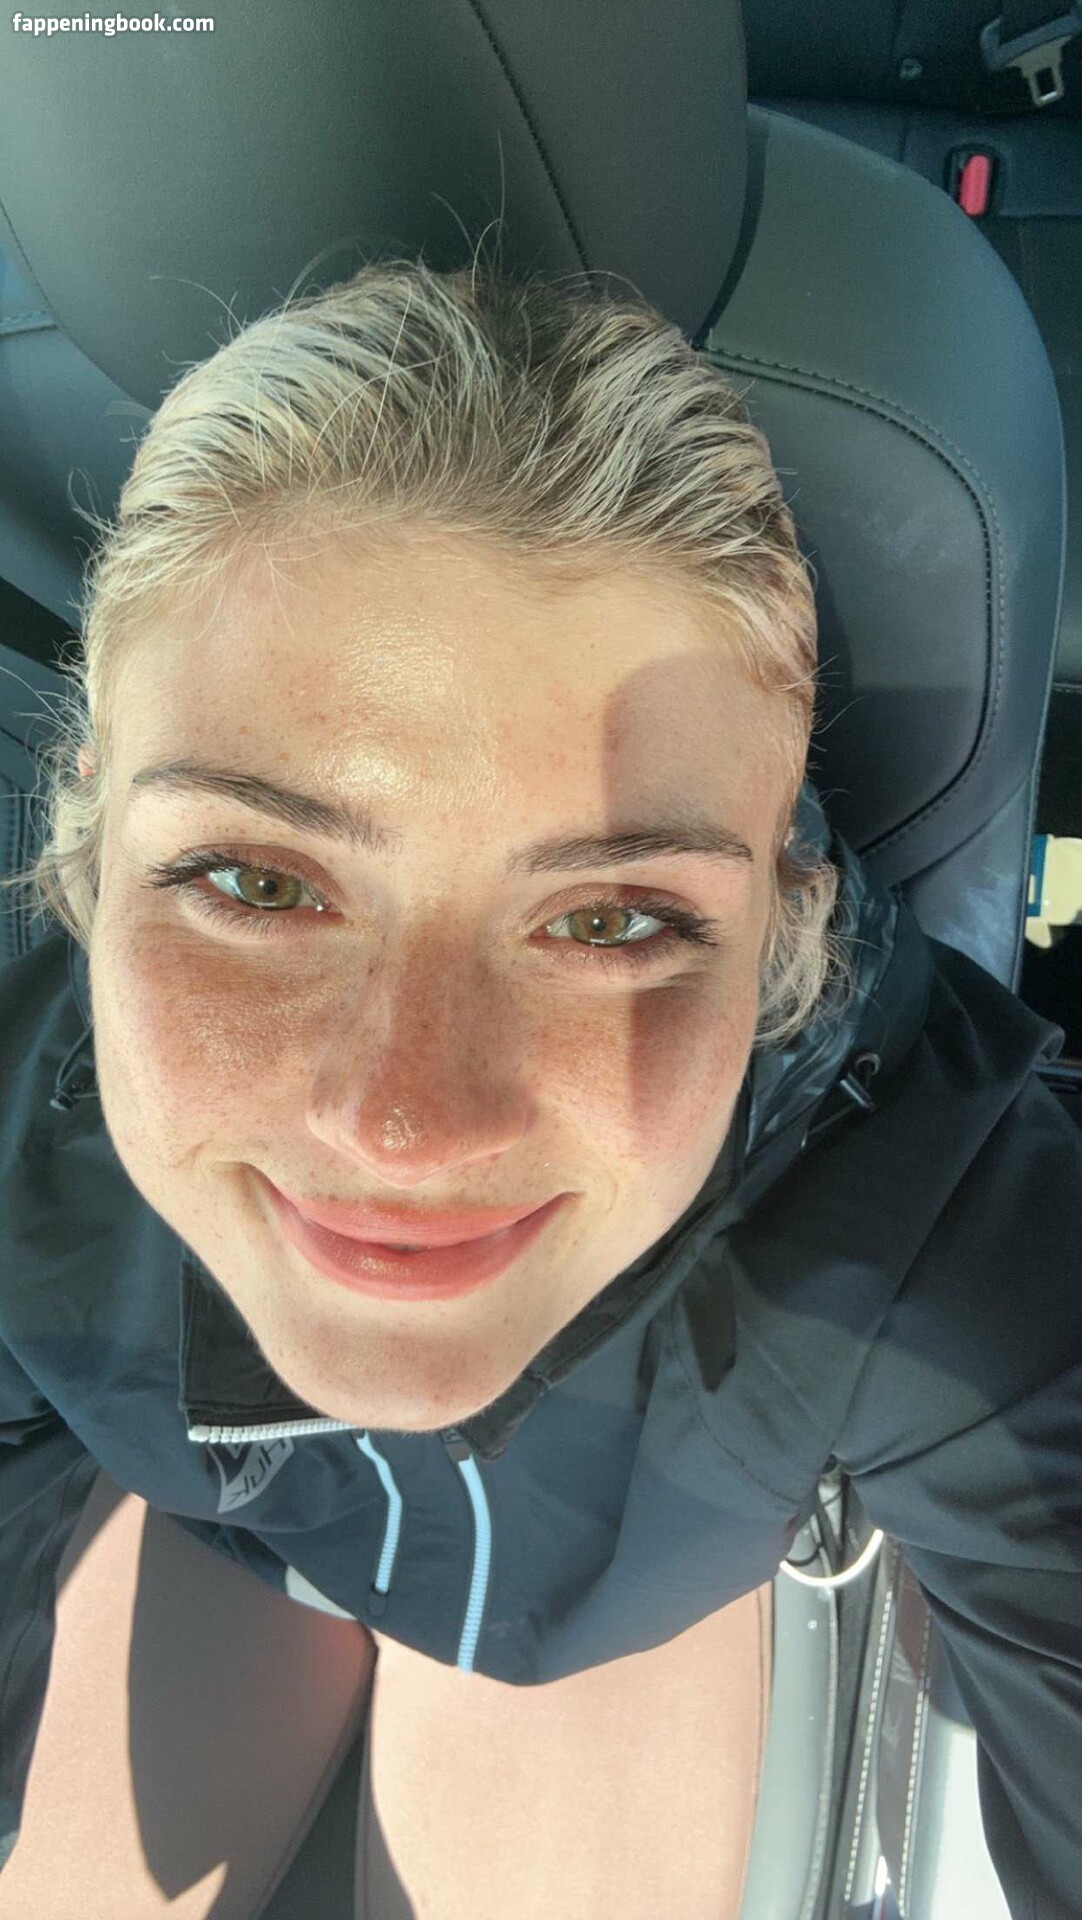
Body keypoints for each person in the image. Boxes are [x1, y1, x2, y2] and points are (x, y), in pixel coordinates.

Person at [0, 253, 1078, 1920]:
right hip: (213, 1529)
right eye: (258, 884)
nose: (403, 1127)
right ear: (89, 832)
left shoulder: (941, 1233)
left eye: (609, 920)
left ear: (782, 914)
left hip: (576, 1623)